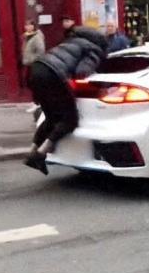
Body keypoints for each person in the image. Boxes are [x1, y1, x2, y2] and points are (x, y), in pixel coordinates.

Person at [24, 19, 108, 175]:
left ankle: (32, 152)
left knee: (51, 117)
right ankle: (40, 154)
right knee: (70, 119)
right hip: (53, 75)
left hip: (36, 70)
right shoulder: (93, 48)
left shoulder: (70, 40)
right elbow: (81, 72)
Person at [21, 20, 45, 114]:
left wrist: (32, 60)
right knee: (29, 83)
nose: (27, 27)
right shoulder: (27, 36)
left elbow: (40, 52)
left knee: (34, 84)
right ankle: (37, 101)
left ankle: (37, 103)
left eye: (30, 25)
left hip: (35, 64)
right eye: (26, 25)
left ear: (34, 26)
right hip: (29, 64)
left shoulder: (36, 37)